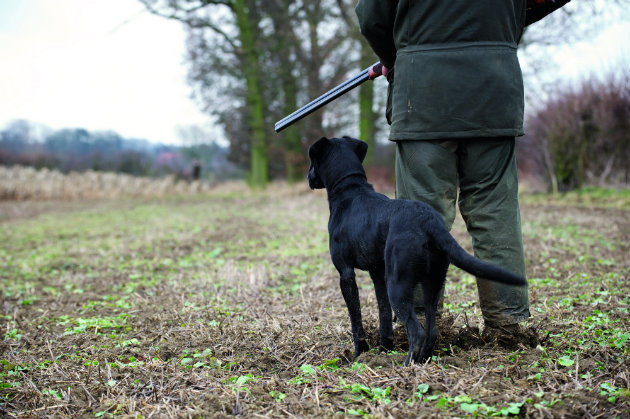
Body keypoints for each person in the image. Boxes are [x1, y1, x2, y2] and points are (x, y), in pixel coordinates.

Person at [354, 0, 568, 338]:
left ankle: (420, 320)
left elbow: (371, 18)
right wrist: (499, 31)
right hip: (494, 92)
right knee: (495, 209)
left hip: (422, 96)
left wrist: (399, 61)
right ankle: (509, 321)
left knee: (419, 213)